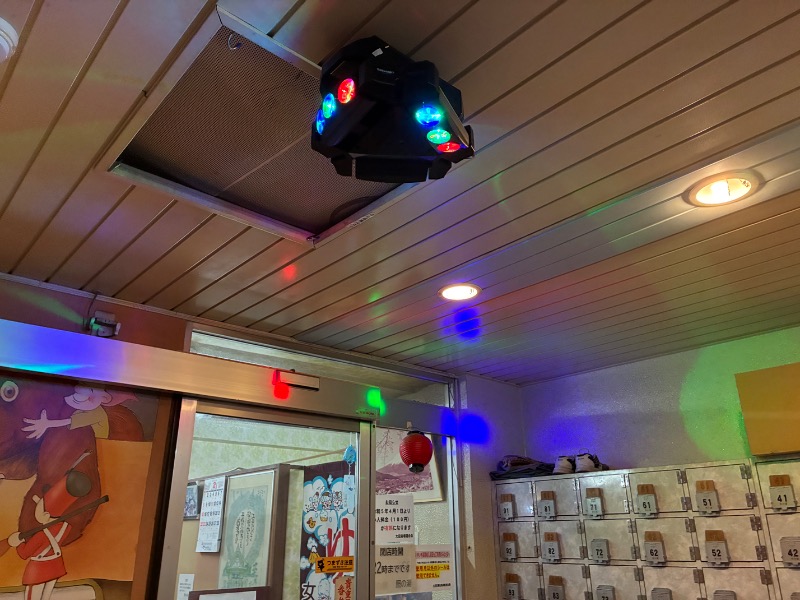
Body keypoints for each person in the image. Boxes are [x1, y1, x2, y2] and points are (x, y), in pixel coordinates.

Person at [6, 470, 91, 600]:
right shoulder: (64, 528)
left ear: (45, 515)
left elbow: (24, 554)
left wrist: (17, 542)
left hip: (39, 571)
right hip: (55, 567)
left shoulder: (40, 535)